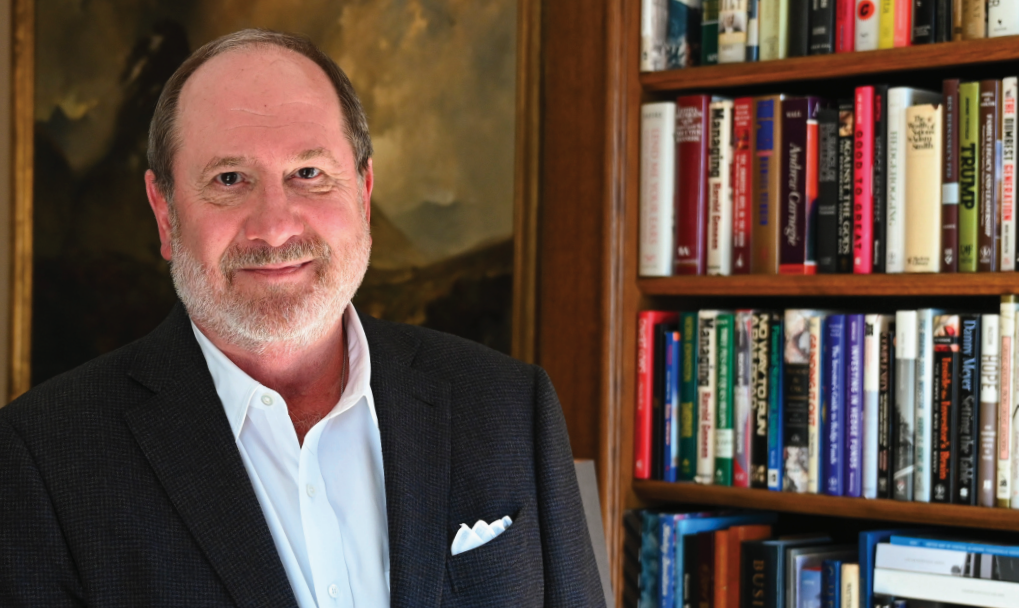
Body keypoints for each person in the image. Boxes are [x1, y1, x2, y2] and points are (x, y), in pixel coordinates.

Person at [0, 29, 604, 607]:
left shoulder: (508, 407)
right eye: (229, 179)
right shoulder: (43, 460)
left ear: (363, 193)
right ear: (165, 212)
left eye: (308, 174)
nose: (275, 226)